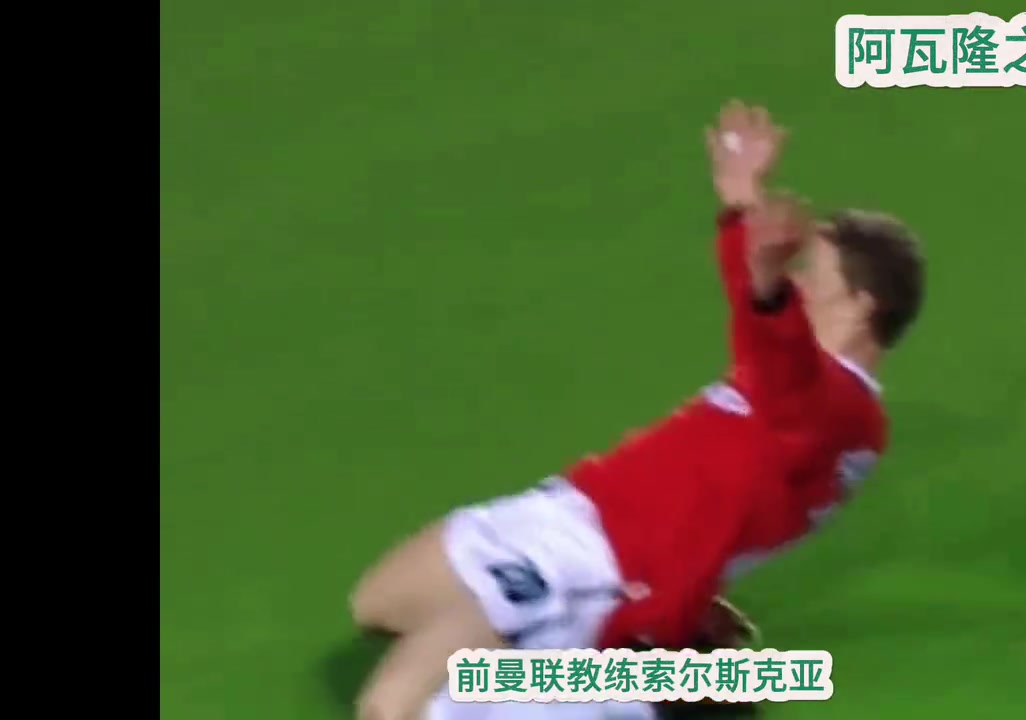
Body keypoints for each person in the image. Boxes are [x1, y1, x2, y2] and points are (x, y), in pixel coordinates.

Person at [348, 100, 926, 720]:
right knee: (378, 604)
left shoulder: (836, 406)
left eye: (813, 271)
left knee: (391, 708)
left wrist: (767, 285)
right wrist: (740, 205)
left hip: (597, 565)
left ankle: (633, 678)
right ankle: (643, 674)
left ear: (861, 304)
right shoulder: (823, 402)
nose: (801, 281)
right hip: (573, 512)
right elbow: (764, 337)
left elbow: (778, 347)